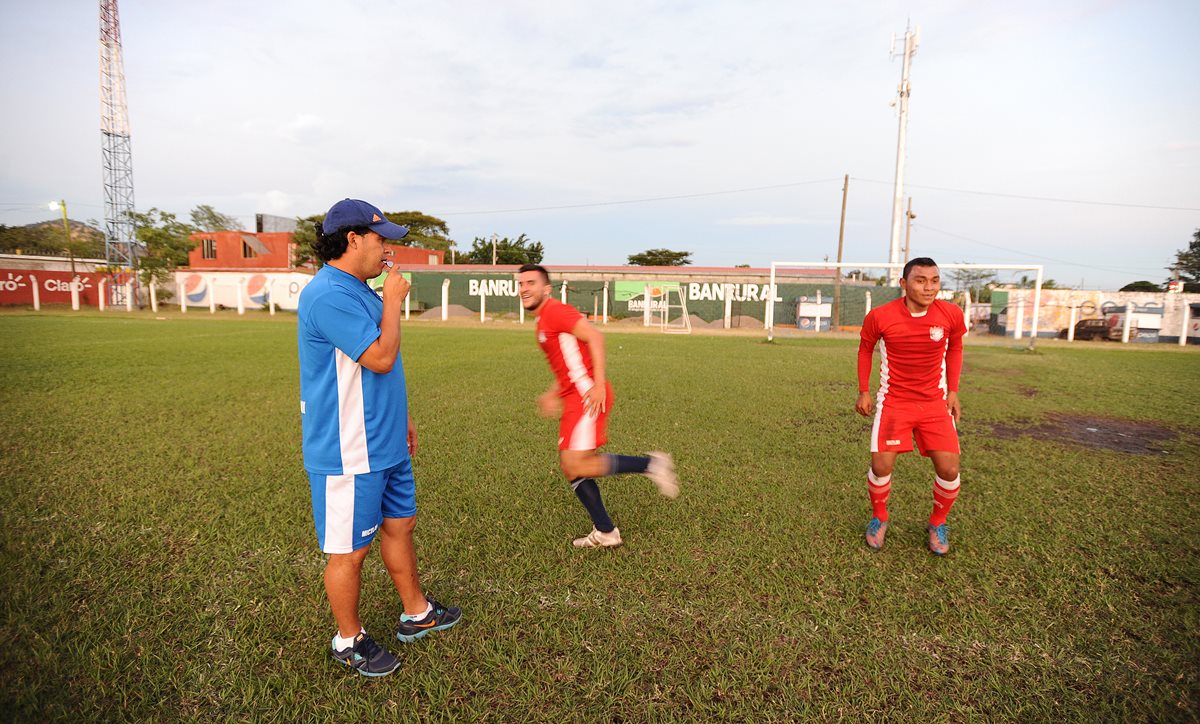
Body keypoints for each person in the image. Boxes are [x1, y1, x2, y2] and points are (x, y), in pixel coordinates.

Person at [298, 198, 460, 677]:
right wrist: (392, 300)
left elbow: (385, 371)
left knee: (400, 526)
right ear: (353, 239)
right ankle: (348, 640)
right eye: (380, 238)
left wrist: (403, 416)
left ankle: (417, 613)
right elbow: (381, 357)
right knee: (349, 552)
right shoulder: (328, 294)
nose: (387, 248)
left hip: (384, 439)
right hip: (350, 446)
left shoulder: (358, 288)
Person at [516, 264, 680, 548]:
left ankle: (652, 464)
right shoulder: (542, 321)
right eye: (520, 284)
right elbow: (569, 364)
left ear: (546, 289)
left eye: (531, 282)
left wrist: (599, 384)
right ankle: (605, 532)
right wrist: (553, 393)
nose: (524, 289)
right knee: (572, 468)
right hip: (573, 396)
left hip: (586, 396)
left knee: (576, 463)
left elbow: (595, 337)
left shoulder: (555, 310)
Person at [855, 257, 967, 555]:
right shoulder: (880, 316)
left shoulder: (951, 314)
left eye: (934, 280)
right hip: (894, 402)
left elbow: (955, 347)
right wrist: (864, 391)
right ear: (903, 284)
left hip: (934, 403)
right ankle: (879, 517)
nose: (929, 287)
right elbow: (865, 349)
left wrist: (953, 391)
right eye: (920, 280)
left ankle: (937, 522)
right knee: (881, 464)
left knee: (950, 468)